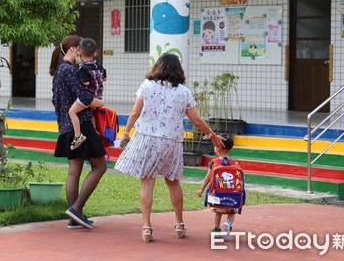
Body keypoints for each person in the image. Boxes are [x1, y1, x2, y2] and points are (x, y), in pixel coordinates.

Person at [115, 53, 224, 243]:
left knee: (147, 181)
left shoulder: (146, 86)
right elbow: (196, 121)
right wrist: (213, 137)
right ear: (178, 70)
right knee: (172, 181)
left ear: (158, 67)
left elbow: (135, 112)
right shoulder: (183, 92)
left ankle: (147, 227)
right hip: (172, 141)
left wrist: (126, 132)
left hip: (147, 139)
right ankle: (179, 224)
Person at [49, 35, 108, 230]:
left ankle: (75, 217)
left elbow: (56, 100)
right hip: (81, 125)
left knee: (74, 171)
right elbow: (84, 96)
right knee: (100, 166)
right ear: (75, 50)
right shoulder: (70, 70)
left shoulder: (59, 71)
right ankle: (76, 209)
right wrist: (98, 102)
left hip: (66, 126)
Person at [67, 38, 107, 150]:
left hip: (88, 98)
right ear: (95, 53)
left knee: (72, 112)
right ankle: (94, 132)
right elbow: (104, 79)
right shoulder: (99, 65)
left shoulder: (83, 69)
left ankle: (77, 135)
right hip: (98, 96)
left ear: (79, 53)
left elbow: (86, 82)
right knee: (91, 113)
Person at [197, 134, 238, 238]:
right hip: (233, 198)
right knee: (232, 212)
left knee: (218, 213)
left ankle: (216, 228)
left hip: (218, 196)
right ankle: (228, 223)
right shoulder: (235, 163)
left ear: (218, 148)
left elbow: (208, 177)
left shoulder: (214, 163)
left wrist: (201, 189)